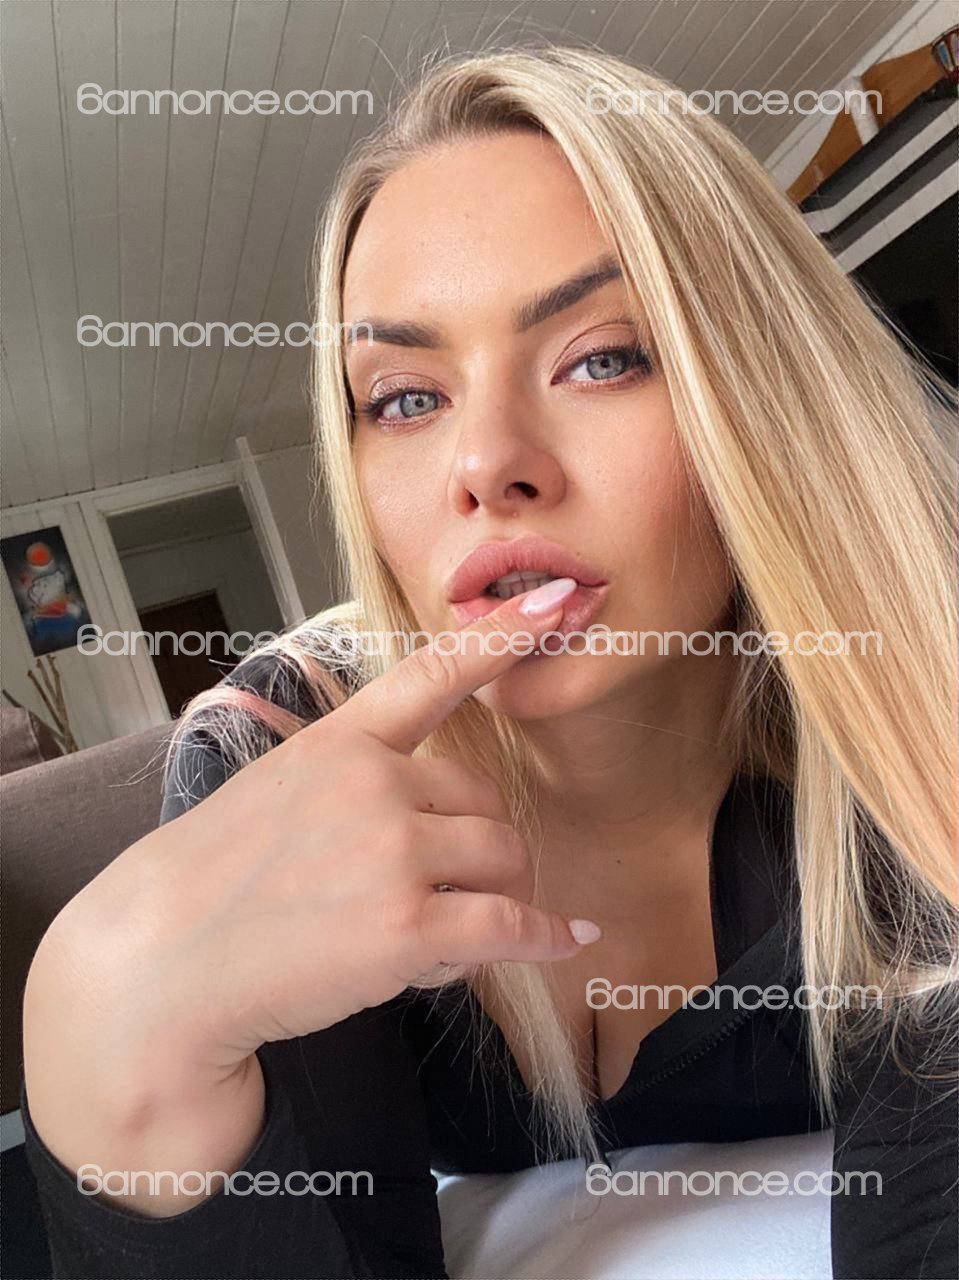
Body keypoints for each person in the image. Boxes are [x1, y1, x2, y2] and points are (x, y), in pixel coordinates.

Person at [21, 45, 958, 1280]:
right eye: (404, 398)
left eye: (601, 356)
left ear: (765, 394)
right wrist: (91, 1022)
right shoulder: (280, 744)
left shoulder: (908, 698)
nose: (484, 464)